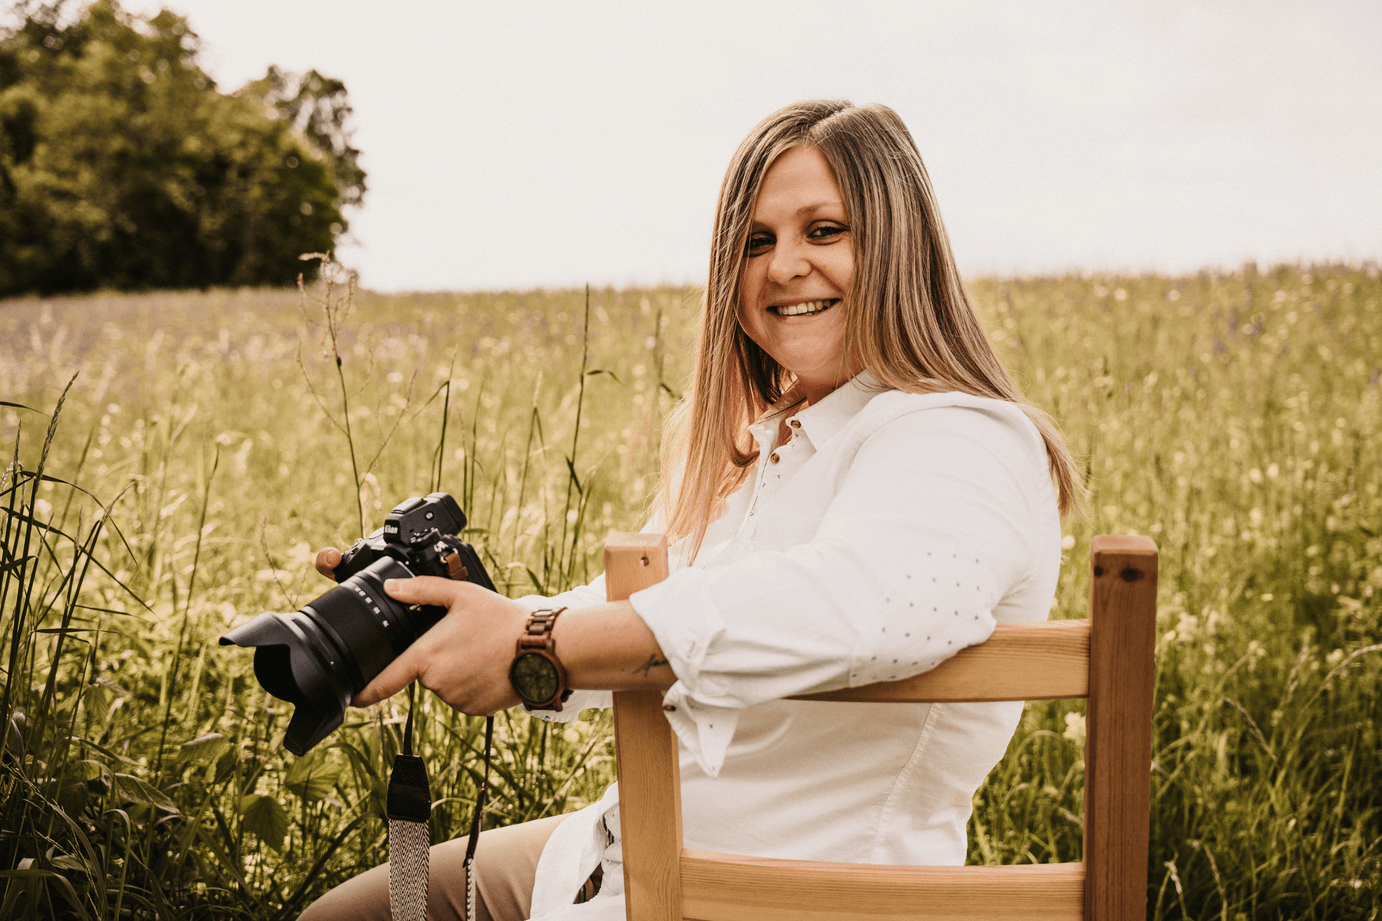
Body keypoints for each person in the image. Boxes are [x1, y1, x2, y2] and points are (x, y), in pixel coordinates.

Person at [300, 98, 1082, 921]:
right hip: (625, 851)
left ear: (898, 245)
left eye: (824, 231)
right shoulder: (773, 442)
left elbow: (859, 602)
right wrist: (456, 615)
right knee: (348, 915)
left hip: (774, 897)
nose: (784, 266)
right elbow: (641, 613)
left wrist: (538, 644)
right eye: (755, 242)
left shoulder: (960, 437)